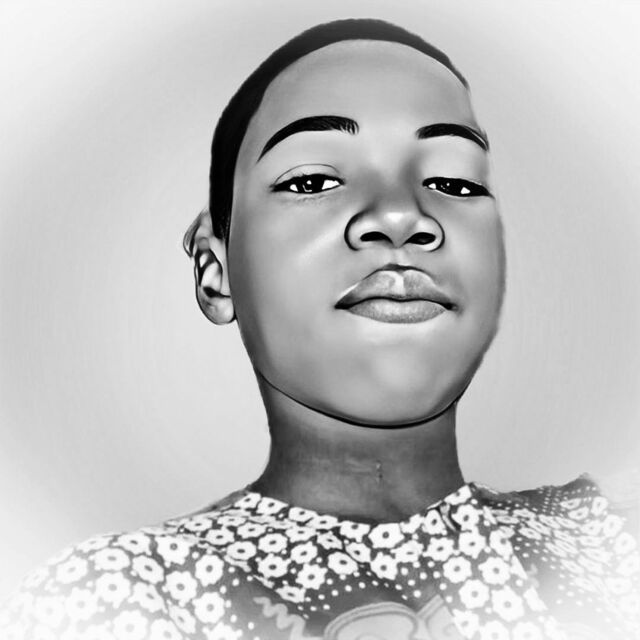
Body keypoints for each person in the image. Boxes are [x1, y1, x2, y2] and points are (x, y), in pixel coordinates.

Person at [1, 17, 638, 640]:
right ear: (216, 271)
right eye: (312, 180)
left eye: (453, 181)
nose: (400, 216)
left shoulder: (611, 528)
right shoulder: (118, 592)